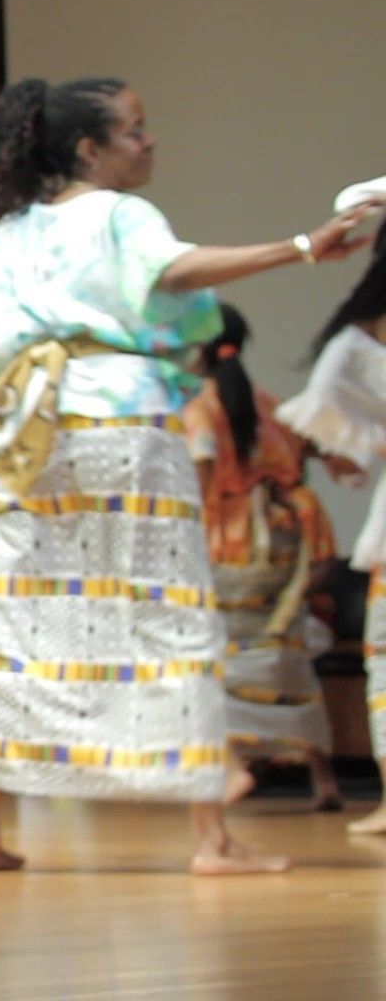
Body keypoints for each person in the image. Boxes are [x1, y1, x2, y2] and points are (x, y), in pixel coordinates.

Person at [0, 77, 375, 874]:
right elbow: (176, 270)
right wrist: (301, 247)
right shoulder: (121, 216)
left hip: (36, 427)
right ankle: (211, 838)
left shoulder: (17, 228)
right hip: (120, 419)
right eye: (135, 130)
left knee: (20, 619)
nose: (149, 141)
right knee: (169, 611)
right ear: (89, 149)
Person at [184, 305, 346, 810]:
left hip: (230, 544)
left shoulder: (201, 407)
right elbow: (310, 448)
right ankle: (325, 780)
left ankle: (231, 769)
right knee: (285, 652)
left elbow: (204, 474)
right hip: (283, 543)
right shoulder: (265, 403)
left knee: (221, 661)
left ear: (198, 347)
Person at [276, 237, 386, 834]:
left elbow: (324, 409)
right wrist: (356, 453)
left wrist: (355, 453)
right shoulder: (355, 346)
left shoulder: (355, 344)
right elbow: (326, 411)